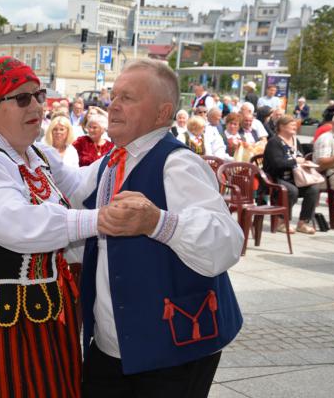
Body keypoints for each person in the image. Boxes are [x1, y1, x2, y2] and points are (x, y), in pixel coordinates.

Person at [0, 56, 124, 398]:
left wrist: (125, 151)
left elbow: (80, 185)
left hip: (42, 311)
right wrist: (100, 219)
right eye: (21, 98)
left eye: (39, 95)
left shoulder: (34, 153)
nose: (36, 105)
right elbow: (17, 224)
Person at [74, 58, 243, 398]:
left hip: (174, 347)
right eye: (113, 96)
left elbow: (226, 241)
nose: (113, 106)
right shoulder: (110, 161)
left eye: (128, 98)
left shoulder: (178, 163)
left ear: (162, 112)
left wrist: (158, 222)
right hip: (113, 344)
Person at [263, 115, 319, 234]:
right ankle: (282, 222)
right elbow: (276, 164)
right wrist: (295, 161)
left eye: (295, 124)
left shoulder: (295, 140)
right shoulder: (274, 142)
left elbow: (300, 157)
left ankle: (303, 223)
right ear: (282, 126)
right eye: (291, 124)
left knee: (313, 189)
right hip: (276, 177)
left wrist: (305, 162)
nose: (295, 126)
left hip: (295, 177)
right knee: (291, 190)